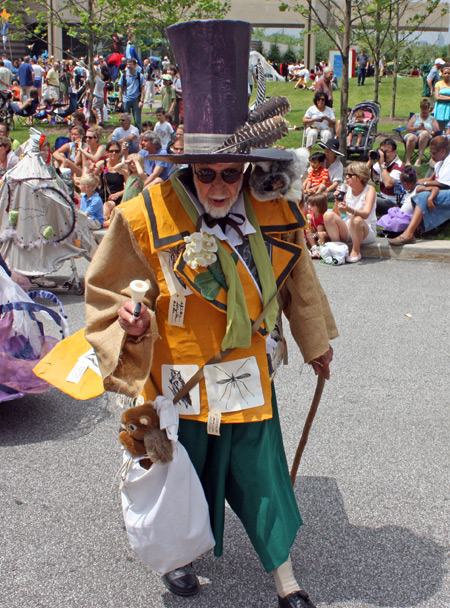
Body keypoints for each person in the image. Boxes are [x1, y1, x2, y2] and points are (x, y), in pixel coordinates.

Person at [83, 19, 337, 608]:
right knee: (180, 473)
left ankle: (285, 577)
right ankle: (176, 558)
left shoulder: (276, 212)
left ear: (247, 167)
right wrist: (132, 323)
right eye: (205, 173)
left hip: (246, 370)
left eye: (230, 172)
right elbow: (108, 292)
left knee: (261, 476)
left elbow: (301, 278)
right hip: (178, 375)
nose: (219, 186)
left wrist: (315, 342)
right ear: (187, 169)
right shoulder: (144, 213)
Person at [389, 136, 450, 245]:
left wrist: (422, 184)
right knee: (418, 190)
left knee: (423, 195)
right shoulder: (440, 162)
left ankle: (409, 234)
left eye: (434, 153)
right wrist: (414, 182)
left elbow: (441, 183)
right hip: (441, 191)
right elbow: (431, 179)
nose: (432, 156)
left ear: (443, 152)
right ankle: (408, 223)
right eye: (431, 153)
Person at [324, 161, 377, 263]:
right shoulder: (346, 189)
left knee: (356, 220)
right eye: (346, 174)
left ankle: (356, 250)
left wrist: (348, 209)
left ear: (360, 177)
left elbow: (366, 214)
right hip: (349, 227)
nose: (346, 177)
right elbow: (337, 214)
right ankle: (338, 248)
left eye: (350, 175)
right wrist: (337, 200)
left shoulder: (370, 190)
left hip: (366, 229)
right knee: (328, 215)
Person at [367, 137, 404, 215]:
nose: (384, 154)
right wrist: (370, 161)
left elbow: (388, 184)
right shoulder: (383, 162)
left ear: (394, 152)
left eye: (387, 151)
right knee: (363, 193)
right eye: (382, 151)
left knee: (366, 199)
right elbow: (363, 174)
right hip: (383, 198)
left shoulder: (398, 166)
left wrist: (382, 165)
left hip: (395, 204)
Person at [377, 166, 419, 235]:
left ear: (406, 184)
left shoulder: (417, 189)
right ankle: (385, 230)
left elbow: (434, 189)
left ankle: (389, 232)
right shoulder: (410, 190)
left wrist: (430, 198)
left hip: (407, 217)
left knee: (395, 222)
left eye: (401, 183)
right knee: (389, 215)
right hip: (402, 213)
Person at [95, 140, 128, 223]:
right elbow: (95, 180)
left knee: (107, 205)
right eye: (111, 151)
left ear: (120, 152)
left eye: (116, 151)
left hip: (116, 196)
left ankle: (104, 222)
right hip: (103, 195)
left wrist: (117, 194)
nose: (114, 153)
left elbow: (128, 187)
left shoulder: (123, 167)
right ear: (107, 152)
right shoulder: (102, 165)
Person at [404, 99, 439, 166]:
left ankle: (419, 159)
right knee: (411, 138)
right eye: (422, 109)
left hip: (426, 137)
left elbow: (436, 132)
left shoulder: (432, 119)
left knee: (424, 134)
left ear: (429, 109)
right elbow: (408, 129)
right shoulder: (415, 116)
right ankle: (408, 160)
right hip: (414, 134)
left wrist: (426, 130)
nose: (424, 111)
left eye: (425, 109)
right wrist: (418, 128)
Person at [118, 58, 145, 132]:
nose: (129, 66)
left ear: (135, 65)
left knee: (137, 120)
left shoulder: (140, 76)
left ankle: (138, 135)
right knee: (125, 120)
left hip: (136, 99)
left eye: (131, 64)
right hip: (126, 99)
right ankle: (126, 133)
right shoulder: (124, 76)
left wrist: (141, 101)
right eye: (128, 64)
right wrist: (120, 101)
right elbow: (120, 88)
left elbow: (143, 89)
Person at [305, 192, 329, 258]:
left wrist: (320, 233)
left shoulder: (324, 215)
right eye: (309, 205)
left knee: (320, 226)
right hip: (314, 233)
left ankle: (321, 248)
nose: (309, 207)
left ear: (320, 206)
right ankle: (314, 247)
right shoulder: (310, 214)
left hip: (323, 234)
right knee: (308, 229)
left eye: (312, 206)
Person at [433, 65, 450, 131]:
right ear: (442, 74)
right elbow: (437, 97)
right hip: (440, 108)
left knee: (448, 128)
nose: (447, 75)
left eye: (449, 73)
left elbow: (439, 96)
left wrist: (441, 96)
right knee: (440, 127)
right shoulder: (438, 84)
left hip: (449, 107)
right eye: (445, 73)